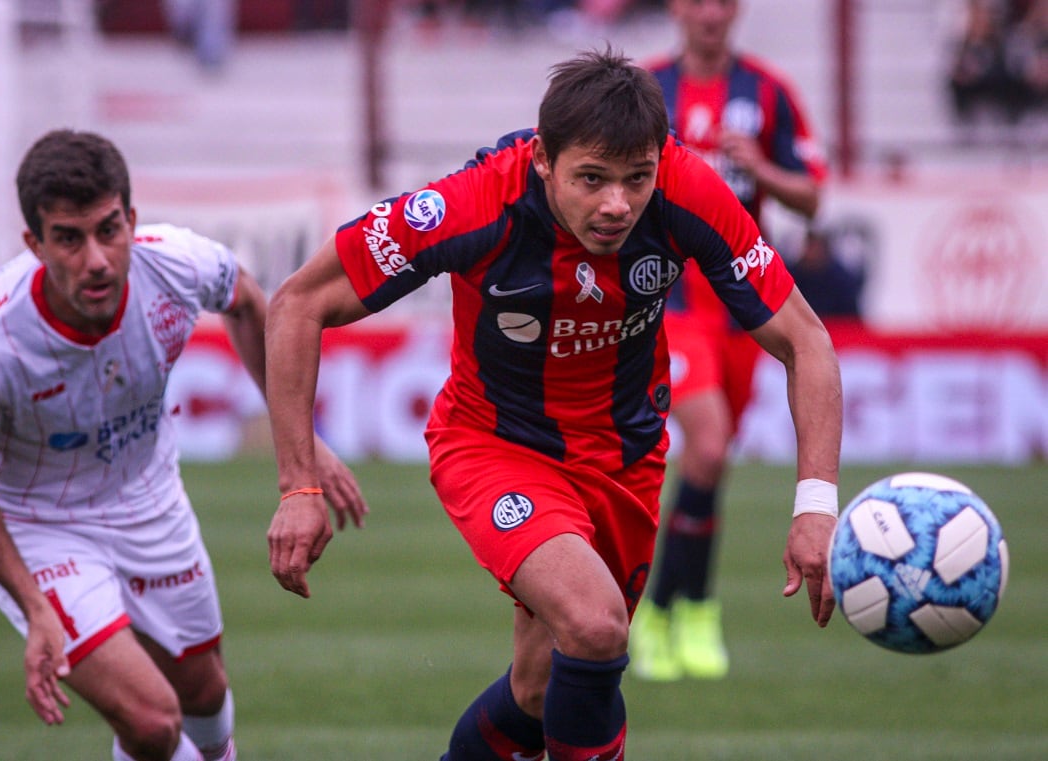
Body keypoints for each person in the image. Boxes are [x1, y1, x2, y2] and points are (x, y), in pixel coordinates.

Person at [264, 47, 841, 760]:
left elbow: (806, 341)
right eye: (592, 178)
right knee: (596, 625)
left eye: (636, 178)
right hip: (497, 447)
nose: (617, 204)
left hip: (626, 457)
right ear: (543, 159)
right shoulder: (472, 203)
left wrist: (816, 504)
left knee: (540, 690)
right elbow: (298, 303)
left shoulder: (687, 189)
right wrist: (299, 484)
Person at [0, 129, 367, 761]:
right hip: (39, 524)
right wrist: (35, 606)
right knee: (153, 721)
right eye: (69, 239)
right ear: (35, 245)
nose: (97, 259)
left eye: (108, 229)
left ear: (131, 220)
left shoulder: (176, 263)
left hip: (147, 496)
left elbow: (249, 302)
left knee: (205, 696)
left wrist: (302, 440)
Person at [629, 0, 830, 682]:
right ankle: (668, 611)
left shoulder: (768, 92)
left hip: (744, 302)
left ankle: (688, 609)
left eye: (721, 1)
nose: (709, 13)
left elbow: (811, 197)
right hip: (670, 297)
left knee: (711, 464)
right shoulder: (645, 90)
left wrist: (760, 169)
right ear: (676, 9)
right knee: (708, 444)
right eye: (697, 1)